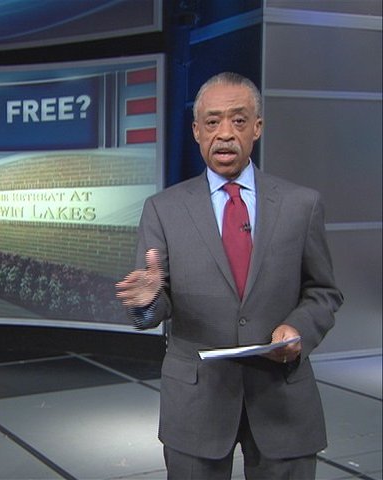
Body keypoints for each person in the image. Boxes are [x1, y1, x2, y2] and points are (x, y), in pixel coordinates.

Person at [116, 72, 343, 479]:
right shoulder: (163, 209)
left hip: (282, 400)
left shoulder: (301, 205)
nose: (225, 134)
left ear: (257, 127)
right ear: (196, 131)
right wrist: (147, 301)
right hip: (197, 402)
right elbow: (154, 306)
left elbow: (323, 291)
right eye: (212, 121)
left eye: (238, 121)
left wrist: (298, 329)